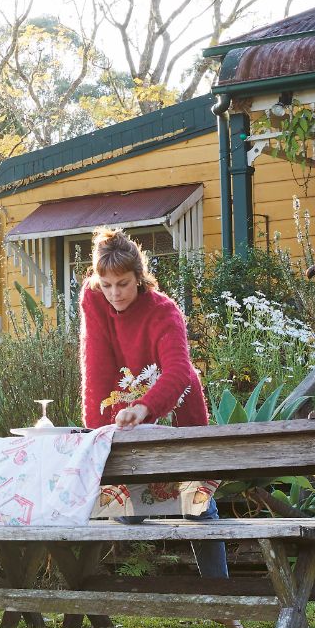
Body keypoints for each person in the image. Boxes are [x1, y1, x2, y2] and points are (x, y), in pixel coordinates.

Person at [77, 226, 227, 580]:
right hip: (126, 418)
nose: (114, 293)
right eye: (107, 284)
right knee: (125, 511)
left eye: (123, 284)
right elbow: (95, 370)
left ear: (139, 278)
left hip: (176, 409)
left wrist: (146, 407)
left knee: (198, 507)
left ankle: (224, 603)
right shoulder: (94, 299)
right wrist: (95, 439)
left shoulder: (164, 311)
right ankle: (93, 599)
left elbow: (178, 371)